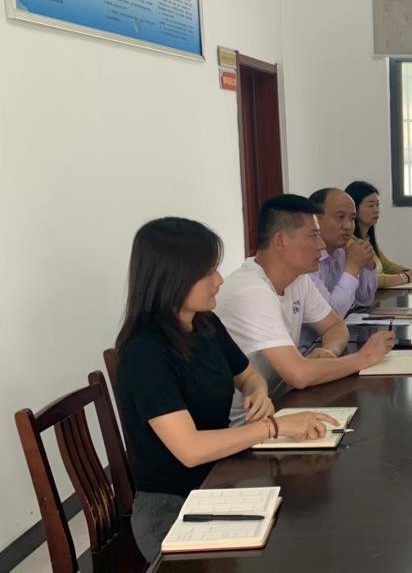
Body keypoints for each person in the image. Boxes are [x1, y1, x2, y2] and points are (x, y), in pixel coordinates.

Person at [115, 218, 339, 561]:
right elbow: (190, 449)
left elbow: (248, 376)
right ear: (172, 277)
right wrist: (273, 426)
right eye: (207, 272)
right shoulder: (146, 352)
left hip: (219, 478)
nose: (219, 280)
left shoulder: (204, 323)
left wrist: (258, 391)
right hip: (172, 505)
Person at [216, 194, 395, 401]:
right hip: (243, 418)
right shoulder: (251, 290)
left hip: (277, 399)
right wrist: (364, 358)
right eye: (313, 236)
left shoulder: (298, 278)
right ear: (281, 241)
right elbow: (298, 375)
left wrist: (329, 351)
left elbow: (335, 326)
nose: (321, 245)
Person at [307, 187, 377, 315]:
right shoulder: (305, 260)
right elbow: (331, 315)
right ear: (315, 219)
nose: (348, 226)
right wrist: (352, 267)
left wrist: (368, 267)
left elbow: (364, 300)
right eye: (340, 217)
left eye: (352, 219)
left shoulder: (341, 252)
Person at [345, 181, 412, 287]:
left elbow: (387, 266)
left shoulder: (367, 240)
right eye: (370, 206)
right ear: (354, 208)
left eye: (377, 205)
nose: (376, 210)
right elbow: (369, 280)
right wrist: (407, 277)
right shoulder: (349, 244)